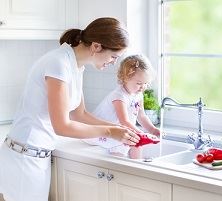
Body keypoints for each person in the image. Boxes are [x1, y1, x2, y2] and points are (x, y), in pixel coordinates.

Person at [0, 17, 140, 201]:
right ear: (96, 46)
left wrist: (121, 129)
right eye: (114, 56)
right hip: (24, 159)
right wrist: (110, 131)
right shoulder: (58, 63)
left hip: (37, 157)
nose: (113, 62)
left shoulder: (75, 66)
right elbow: (62, 126)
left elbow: (79, 114)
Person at [83, 55, 160, 159]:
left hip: (121, 130)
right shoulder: (119, 96)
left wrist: (153, 130)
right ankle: (119, 165)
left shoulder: (138, 94)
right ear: (125, 78)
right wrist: (142, 134)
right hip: (102, 131)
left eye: (146, 83)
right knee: (126, 143)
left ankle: (136, 167)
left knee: (137, 141)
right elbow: (124, 121)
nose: (143, 87)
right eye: (139, 83)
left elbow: (141, 116)